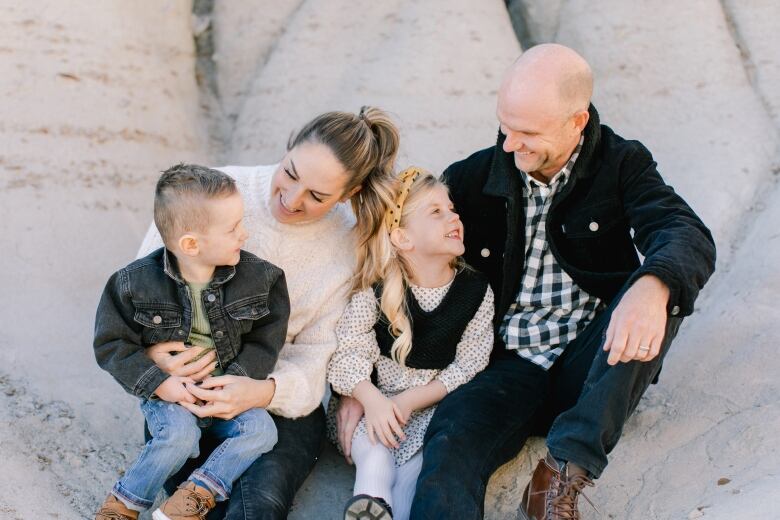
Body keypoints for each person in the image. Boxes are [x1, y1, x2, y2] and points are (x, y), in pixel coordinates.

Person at [337, 44, 717, 519]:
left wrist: (652, 285)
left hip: (593, 364)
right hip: (502, 367)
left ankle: (560, 474)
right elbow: (401, 264)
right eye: (505, 126)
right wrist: (359, 389)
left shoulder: (621, 164)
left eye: (529, 132)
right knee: (450, 445)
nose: (511, 145)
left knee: (660, 295)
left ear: (576, 122)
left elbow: (686, 234)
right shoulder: (473, 178)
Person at [136, 107, 401, 519]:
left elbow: (318, 354)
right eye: (290, 173)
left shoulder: (349, 243)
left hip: (280, 401)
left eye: (317, 196)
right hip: (191, 392)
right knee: (196, 503)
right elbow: (140, 296)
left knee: (260, 506)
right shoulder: (209, 194)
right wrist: (157, 358)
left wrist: (265, 391)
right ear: (288, 145)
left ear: (348, 194)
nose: (292, 199)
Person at [93, 164, 289, 520]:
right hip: (171, 393)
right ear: (190, 244)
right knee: (179, 437)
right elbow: (111, 345)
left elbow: (266, 338)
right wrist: (161, 383)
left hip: (224, 390)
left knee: (261, 430)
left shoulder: (260, 279)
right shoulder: (132, 285)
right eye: (233, 229)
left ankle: (197, 494)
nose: (244, 234)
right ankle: (125, 503)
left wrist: (239, 381)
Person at [327, 168, 494, 520]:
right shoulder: (376, 287)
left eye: (452, 209)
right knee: (375, 452)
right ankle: (368, 502)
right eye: (437, 212)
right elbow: (349, 350)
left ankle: (386, 512)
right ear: (402, 237)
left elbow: (469, 364)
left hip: (429, 408)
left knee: (412, 474)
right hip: (370, 405)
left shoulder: (475, 292)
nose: (454, 216)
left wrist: (410, 400)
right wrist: (372, 400)